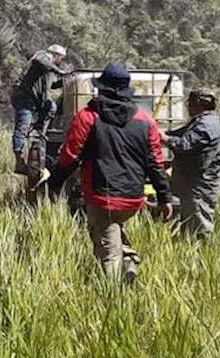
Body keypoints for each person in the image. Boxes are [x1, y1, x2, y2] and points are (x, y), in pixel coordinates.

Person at [47, 63, 172, 282]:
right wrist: (164, 197)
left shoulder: (87, 117)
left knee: (107, 253)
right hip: (133, 198)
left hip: (101, 195)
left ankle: (113, 297)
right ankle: (128, 261)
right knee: (114, 229)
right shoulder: (146, 121)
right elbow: (155, 163)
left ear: (101, 89)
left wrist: (54, 185)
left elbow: (69, 156)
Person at [163, 89, 220, 240]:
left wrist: (163, 138)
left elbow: (184, 145)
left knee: (199, 226)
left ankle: (203, 257)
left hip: (199, 187)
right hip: (192, 186)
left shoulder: (205, 125)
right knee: (189, 227)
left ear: (198, 104)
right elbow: (180, 134)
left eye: (189, 104)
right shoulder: (202, 122)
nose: (187, 108)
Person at [11, 45, 71, 187]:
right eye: (61, 58)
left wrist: (65, 79)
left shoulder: (48, 70)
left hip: (36, 100)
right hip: (25, 97)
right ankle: (19, 162)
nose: (61, 62)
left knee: (51, 106)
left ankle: (38, 128)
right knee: (22, 127)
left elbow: (52, 84)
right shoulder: (44, 56)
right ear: (56, 55)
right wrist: (59, 71)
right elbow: (39, 61)